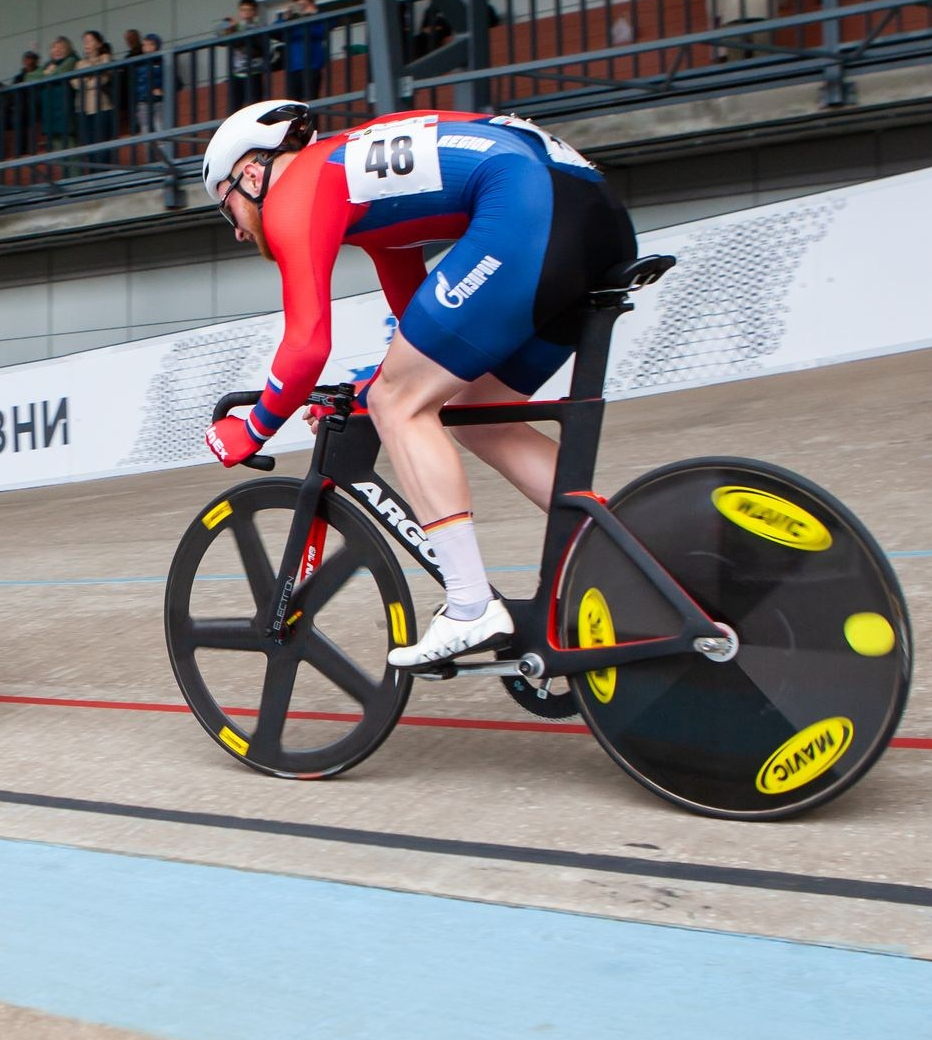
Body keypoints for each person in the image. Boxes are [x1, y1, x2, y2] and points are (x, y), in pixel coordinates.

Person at [200, 98, 635, 667]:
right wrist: (374, 386)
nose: (236, 230)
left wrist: (253, 428)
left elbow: (307, 346)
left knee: (399, 405)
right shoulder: (360, 182)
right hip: (592, 211)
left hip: (529, 207)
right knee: (478, 419)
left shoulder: (295, 191)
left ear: (252, 175)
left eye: (227, 206)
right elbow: (424, 328)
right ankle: (637, 555)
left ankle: (471, 606)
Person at [217, 0, 270, 109]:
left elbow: (258, 48)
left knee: (254, 107)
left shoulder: (258, 27)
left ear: (254, 12)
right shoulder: (235, 26)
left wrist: (235, 32)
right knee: (234, 108)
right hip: (236, 73)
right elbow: (219, 39)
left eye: (249, 10)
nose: (246, 13)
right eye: (243, 10)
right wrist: (225, 26)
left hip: (254, 72)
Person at [281, 0, 330, 99]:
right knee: (293, 102)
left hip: (312, 65)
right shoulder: (291, 22)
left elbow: (328, 26)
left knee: (311, 99)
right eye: (299, 6)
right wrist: (285, 18)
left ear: (312, 5)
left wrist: (315, 14)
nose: (302, 8)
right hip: (292, 67)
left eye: (305, 5)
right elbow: (276, 33)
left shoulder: (317, 20)